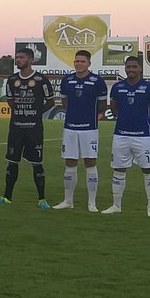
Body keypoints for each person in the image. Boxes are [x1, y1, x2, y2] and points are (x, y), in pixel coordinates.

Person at [0, 48, 54, 209]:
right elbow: (11, 101)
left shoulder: (41, 80)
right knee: (12, 162)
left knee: (37, 163)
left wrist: (35, 113)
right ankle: (6, 197)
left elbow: (50, 102)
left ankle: (42, 199)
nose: (18, 60)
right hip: (16, 128)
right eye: (17, 57)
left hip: (34, 128)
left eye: (21, 58)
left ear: (31, 60)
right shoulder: (12, 80)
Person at [104, 56, 150, 217]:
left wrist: (143, 123)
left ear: (140, 68)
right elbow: (114, 108)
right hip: (121, 135)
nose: (130, 70)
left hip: (143, 136)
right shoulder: (117, 87)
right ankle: (116, 205)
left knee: (148, 169)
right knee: (118, 169)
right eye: (128, 67)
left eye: (134, 67)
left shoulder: (149, 88)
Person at [54, 49, 108, 211]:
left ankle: (92, 202)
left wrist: (88, 116)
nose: (79, 64)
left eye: (82, 61)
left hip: (89, 129)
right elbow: (65, 102)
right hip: (70, 128)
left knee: (90, 163)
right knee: (70, 163)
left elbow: (102, 105)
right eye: (77, 61)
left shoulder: (97, 81)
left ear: (89, 63)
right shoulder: (67, 80)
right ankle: (68, 201)